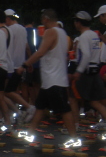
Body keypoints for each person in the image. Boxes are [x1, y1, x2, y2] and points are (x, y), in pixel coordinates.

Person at [17, 9, 80, 148]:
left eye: (42, 19)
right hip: (52, 78)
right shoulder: (63, 33)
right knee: (40, 107)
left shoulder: (50, 32)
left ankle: (74, 138)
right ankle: (30, 133)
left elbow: (40, 52)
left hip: (54, 79)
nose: (41, 22)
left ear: (46, 19)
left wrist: (25, 64)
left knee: (64, 109)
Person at [72, 11, 106, 131]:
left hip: (87, 72)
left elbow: (85, 55)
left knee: (76, 98)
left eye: (76, 21)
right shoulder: (93, 34)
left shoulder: (83, 37)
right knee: (97, 100)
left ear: (79, 23)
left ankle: (74, 125)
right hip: (95, 69)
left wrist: (79, 71)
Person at [4, 9, 36, 123]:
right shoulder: (23, 29)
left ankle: (24, 109)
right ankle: (15, 114)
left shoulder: (8, 30)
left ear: (8, 18)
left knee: (4, 92)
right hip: (21, 64)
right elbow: (27, 46)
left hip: (10, 64)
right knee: (13, 91)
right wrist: (29, 62)